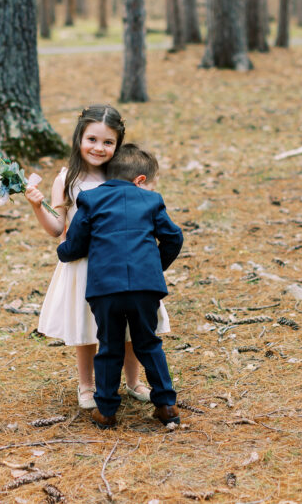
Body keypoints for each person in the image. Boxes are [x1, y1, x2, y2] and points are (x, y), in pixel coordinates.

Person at [25, 105, 170, 410]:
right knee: (86, 327)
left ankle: (133, 381)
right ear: (79, 137)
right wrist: (39, 206)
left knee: (132, 329)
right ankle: (87, 385)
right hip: (84, 265)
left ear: (118, 145)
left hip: (125, 263)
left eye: (108, 142)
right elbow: (56, 229)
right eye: (92, 139)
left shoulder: (122, 175)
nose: (99, 148)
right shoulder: (68, 180)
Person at [56, 143, 184, 428]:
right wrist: (153, 268)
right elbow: (174, 238)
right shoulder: (151, 201)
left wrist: (62, 251)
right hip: (145, 287)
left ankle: (106, 410)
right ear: (140, 181)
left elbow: (76, 244)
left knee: (110, 346)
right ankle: (167, 405)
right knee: (149, 343)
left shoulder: (90, 199)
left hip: (105, 289)